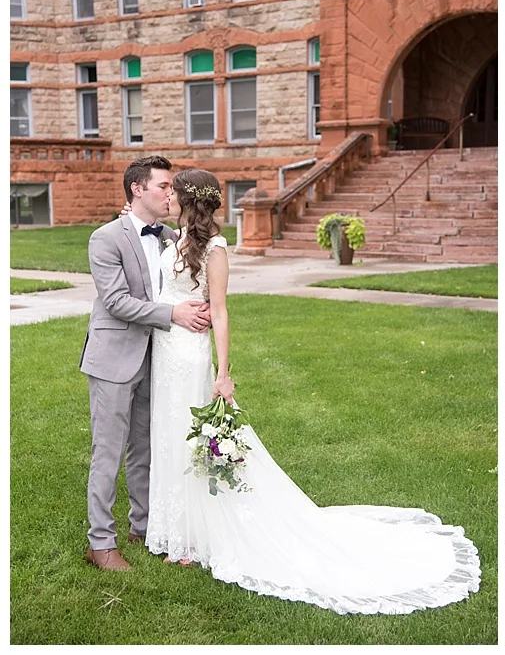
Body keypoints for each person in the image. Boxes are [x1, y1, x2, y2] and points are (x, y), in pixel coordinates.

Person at [141, 168, 480, 612]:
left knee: (193, 442)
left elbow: (220, 312)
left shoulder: (216, 249)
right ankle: (179, 532)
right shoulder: (173, 240)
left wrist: (223, 373)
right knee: (169, 435)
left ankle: (198, 537)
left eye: (173, 191)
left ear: (189, 200)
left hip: (189, 355)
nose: (166, 196)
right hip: (165, 349)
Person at [82, 156, 210, 570]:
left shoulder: (170, 235)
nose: (170, 193)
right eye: (163, 186)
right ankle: (100, 542)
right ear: (138, 189)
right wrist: (173, 315)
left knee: (146, 448)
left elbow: (204, 247)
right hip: (113, 358)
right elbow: (117, 302)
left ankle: (144, 526)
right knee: (109, 451)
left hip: (158, 358)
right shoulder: (105, 238)